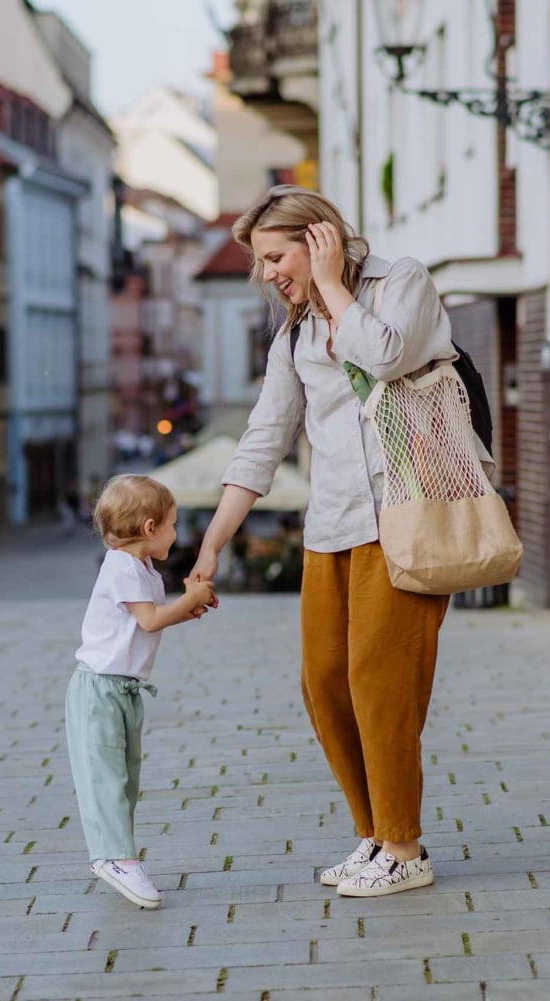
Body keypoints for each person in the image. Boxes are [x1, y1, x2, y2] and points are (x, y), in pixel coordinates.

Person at [189, 185, 462, 898]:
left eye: (276, 257)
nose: (267, 274)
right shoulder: (295, 334)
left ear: (319, 240)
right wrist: (214, 541)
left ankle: (404, 846)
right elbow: (264, 436)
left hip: (404, 517)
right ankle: (375, 834)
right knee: (325, 683)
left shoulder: (401, 284)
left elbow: (389, 357)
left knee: (381, 681)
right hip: (331, 526)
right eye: (260, 262)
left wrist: (336, 286)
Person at [68, 475, 215, 909]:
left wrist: (188, 608)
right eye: (172, 524)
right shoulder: (121, 567)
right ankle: (116, 858)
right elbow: (150, 620)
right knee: (106, 778)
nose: (176, 533)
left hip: (123, 690)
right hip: (99, 691)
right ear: (150, 527)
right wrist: (187, 600)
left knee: (126, 779)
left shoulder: (142, 569)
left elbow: (147, 620)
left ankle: (118, 854)